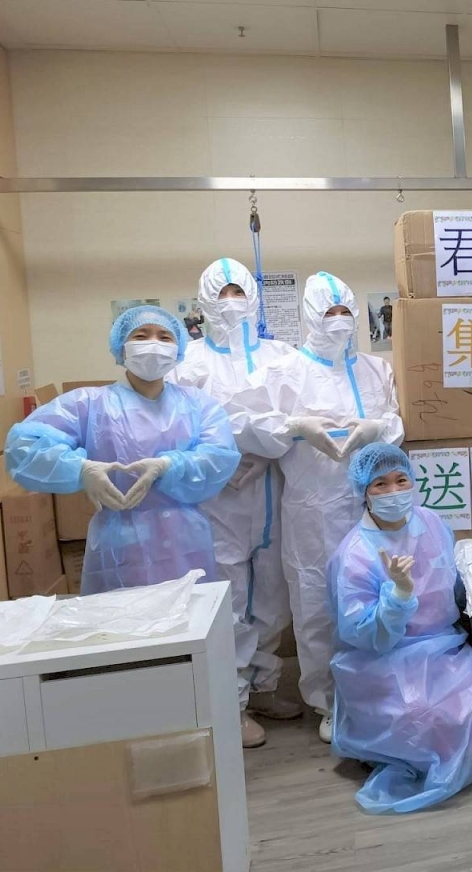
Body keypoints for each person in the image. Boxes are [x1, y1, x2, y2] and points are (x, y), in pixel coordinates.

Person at [227, 272, 404, 743]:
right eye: (329, 312)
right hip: (313, 507)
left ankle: (377, 690)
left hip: (375, 506)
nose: (339, 320)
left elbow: (394, 419)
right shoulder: (284, 371)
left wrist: (377, 428)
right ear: (310, 315)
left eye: (345, 311)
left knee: (379, 594)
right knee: (317, 603)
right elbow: (239, 422)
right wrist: (294, 426)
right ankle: (329, 701)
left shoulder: (375, 368)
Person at [5, 306, 240, 594]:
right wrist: (80, 469)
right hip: (121, 543)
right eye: (141, 335)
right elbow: (22, 446)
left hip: (185, 540)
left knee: (192, 615)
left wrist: (169, 466)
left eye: (165, 337)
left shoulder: (199, 405)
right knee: (125, 617)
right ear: (121, 347)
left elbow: (220, 457)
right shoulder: (90, 404)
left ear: (178, 349)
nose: (153, 343)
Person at [169, 259, 300, 749]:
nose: (231, 303)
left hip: (273, 490)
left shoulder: (281, 356)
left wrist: (267, 454)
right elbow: (179, 427)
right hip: (218, 499)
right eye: (221, 293)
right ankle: (233, 703)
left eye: (238, 292)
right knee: (229, 599)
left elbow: (295, 417)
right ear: (204, 300)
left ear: (253, 297)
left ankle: (263, 687)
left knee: (272, 599)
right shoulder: (188, 362)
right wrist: (223, 460)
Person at [327, 443, 472, 814]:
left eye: (401, 480)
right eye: (380, 484)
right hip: (381, 659)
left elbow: (455, 586)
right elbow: (361, 632)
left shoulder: (432, 523)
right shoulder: (355, 553)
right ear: (363, 492)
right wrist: (399, 595)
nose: (394, 491)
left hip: (444, 646)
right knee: (420, 715)